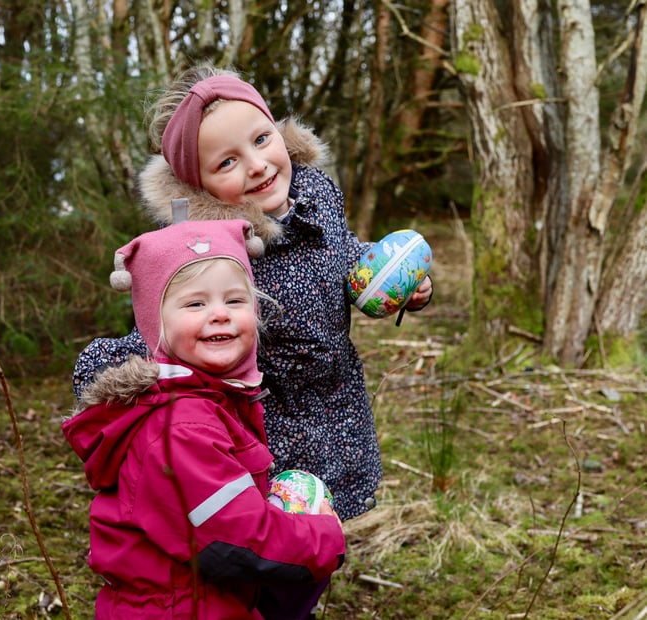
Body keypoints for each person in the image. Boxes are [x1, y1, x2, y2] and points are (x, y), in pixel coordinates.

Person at [74, 63, 434, 526]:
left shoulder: (315, 192)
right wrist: (116, 371)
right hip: (263, 428)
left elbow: (341, 251)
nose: (258, 165)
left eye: (262, 139)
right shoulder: (207, 248)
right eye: (227, 162)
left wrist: (389, 279)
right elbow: (166, 328)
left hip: (335, 407)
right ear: (198, 182)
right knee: (271, 546)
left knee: (325, 532)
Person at [62, 218, 346, 619]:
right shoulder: (180, 426)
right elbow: (232, 538)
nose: (219, 314)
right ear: (154, 323)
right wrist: (324, 539)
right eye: (196, 304)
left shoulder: (213, 399)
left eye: (234, 300)